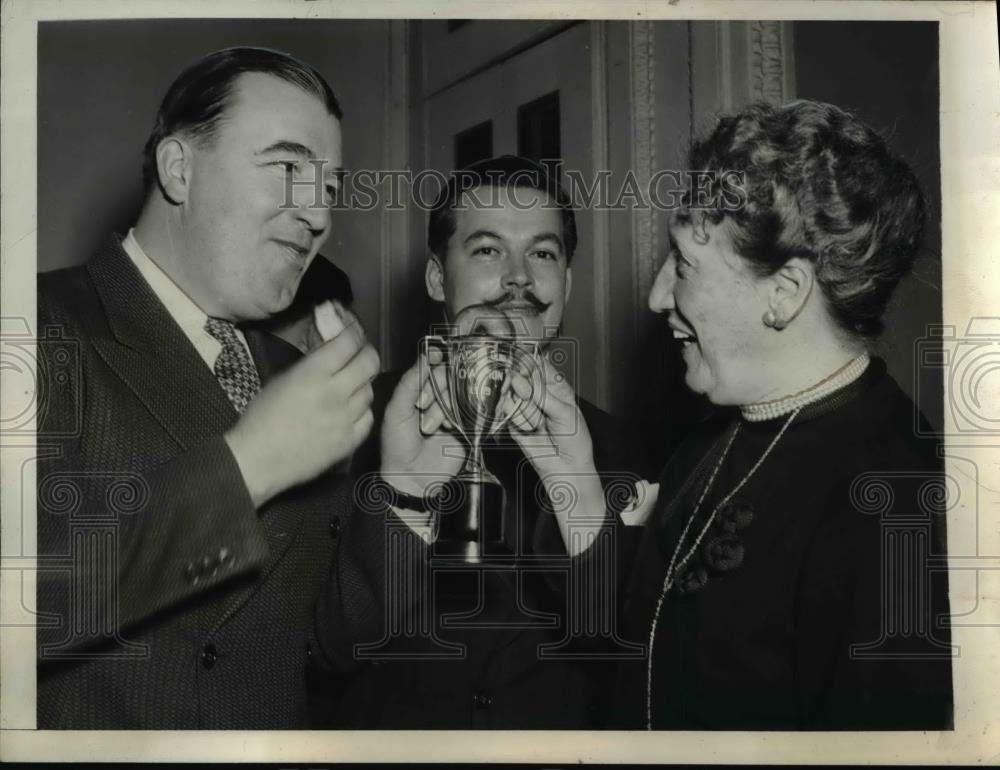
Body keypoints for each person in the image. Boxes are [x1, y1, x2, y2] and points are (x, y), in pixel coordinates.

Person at [36, 47, 379, 728]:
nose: (318, 217)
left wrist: (409, 488)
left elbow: (326, 647)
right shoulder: (35, 324)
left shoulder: (293, 375)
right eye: (288, 169)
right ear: (178, 169)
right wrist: (247, 465)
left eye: (330, 188)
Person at [613, 100, 953, 729]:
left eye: (684, 265)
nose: (658, 294)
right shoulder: (714, 434)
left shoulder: (893, 503)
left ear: (784, 293)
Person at [312, 156, 649, 728]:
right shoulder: (349, 422)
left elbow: (637, 666)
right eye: (488, 250)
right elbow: (322, 652)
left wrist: (580, 501)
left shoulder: (624, 449)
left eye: (543, 254)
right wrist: (403, 500)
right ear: (437, 277)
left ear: (566, 282)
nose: (520, 277)